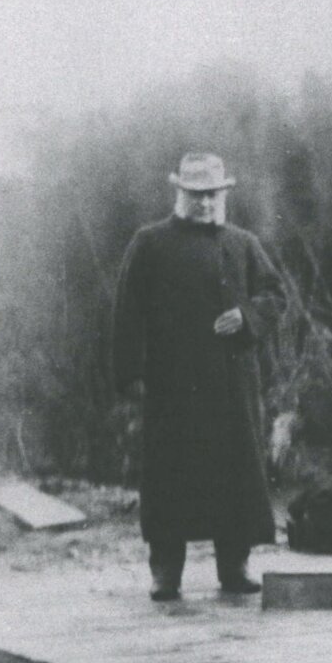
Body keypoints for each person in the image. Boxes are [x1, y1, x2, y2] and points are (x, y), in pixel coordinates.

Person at [113, 152, 285, 601]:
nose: (205, 203)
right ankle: (165, 572)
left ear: (223, 195)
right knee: (170, 479)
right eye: (196, 195)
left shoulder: (243, 243)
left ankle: (235, 567)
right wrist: (131, 375)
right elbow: (127, 312)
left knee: (236, 476)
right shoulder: (149, 243)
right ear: (180, 194)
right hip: (173, 388)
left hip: (232, 388)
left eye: (212, 195)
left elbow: (275, 295)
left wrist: (246, 316)